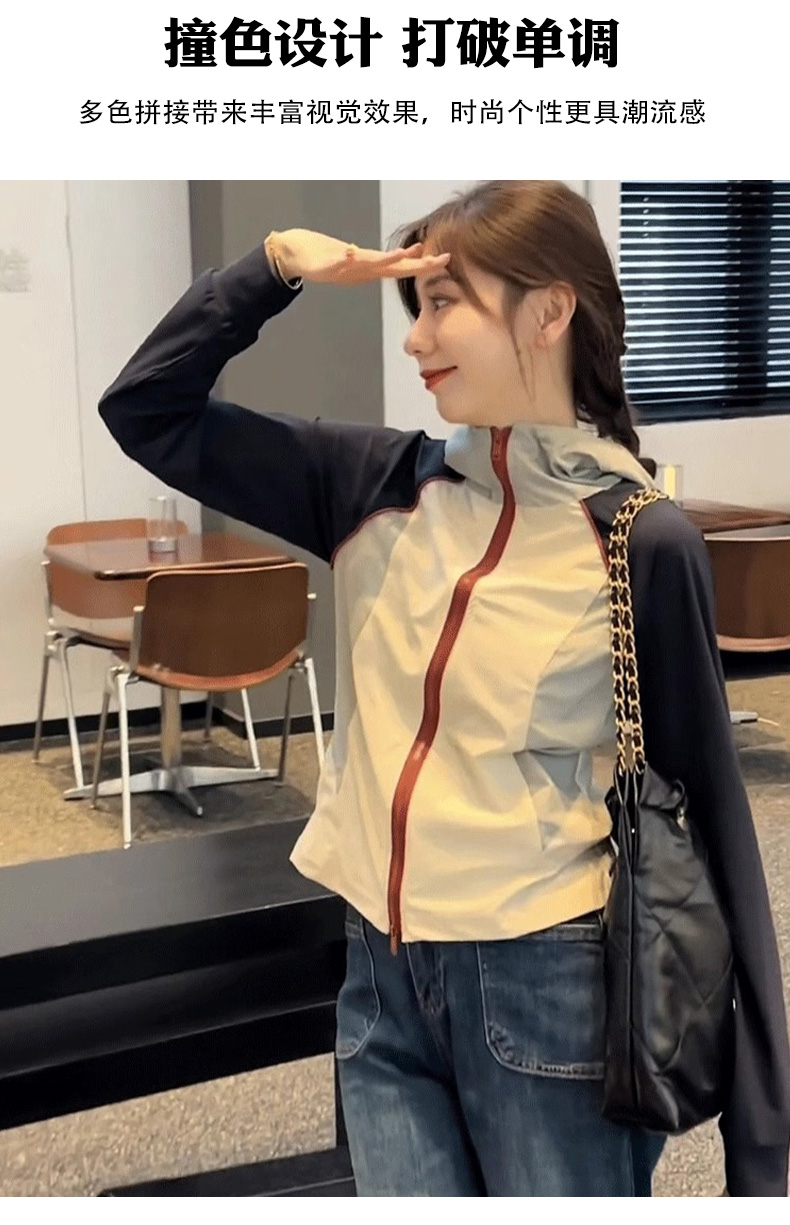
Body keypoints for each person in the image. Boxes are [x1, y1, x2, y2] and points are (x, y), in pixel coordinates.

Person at [98, 180, 790, 1196]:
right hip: (379, 972)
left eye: (443, 302)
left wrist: (762, 1144)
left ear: (549, 312)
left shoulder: (640, 539)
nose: (416, 339)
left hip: (547, 977)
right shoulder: (373, 482)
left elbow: (714, 817)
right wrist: (274, 267)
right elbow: (146, 410)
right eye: (413, 307)